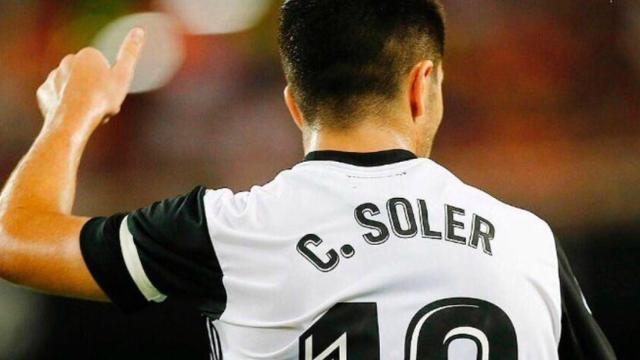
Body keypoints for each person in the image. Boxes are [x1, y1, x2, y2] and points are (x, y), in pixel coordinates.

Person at [0, 0, 616, 358]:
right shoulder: (528, 242)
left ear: (295, 103)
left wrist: (72, 114)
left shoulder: (232, 230)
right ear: (421, 85)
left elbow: (14, 240)